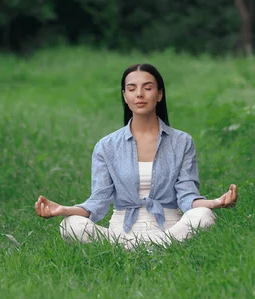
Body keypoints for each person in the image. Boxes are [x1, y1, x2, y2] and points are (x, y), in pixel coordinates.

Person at [35, 63, 238, 249]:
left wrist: (214, 203)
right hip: (119, 235)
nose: (139, 94)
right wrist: (62, 209)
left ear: (159, 94)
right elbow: (97, 203)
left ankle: (149, 247)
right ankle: (143, 250)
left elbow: (187, 196)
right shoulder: (106, 146)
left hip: (170, 232)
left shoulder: (182, 142)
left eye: (147, 88)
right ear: (125, 96)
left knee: (204, 215)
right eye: (132, 89)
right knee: (69, 225)